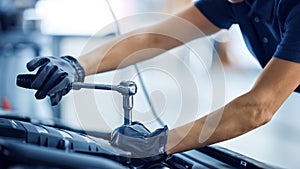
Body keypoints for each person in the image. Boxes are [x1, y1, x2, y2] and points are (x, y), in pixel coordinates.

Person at [19, 0, 300, 161]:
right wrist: (75, 66)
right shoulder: (236, 1)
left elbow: (258, 108)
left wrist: (160, 143)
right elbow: (153, 38)